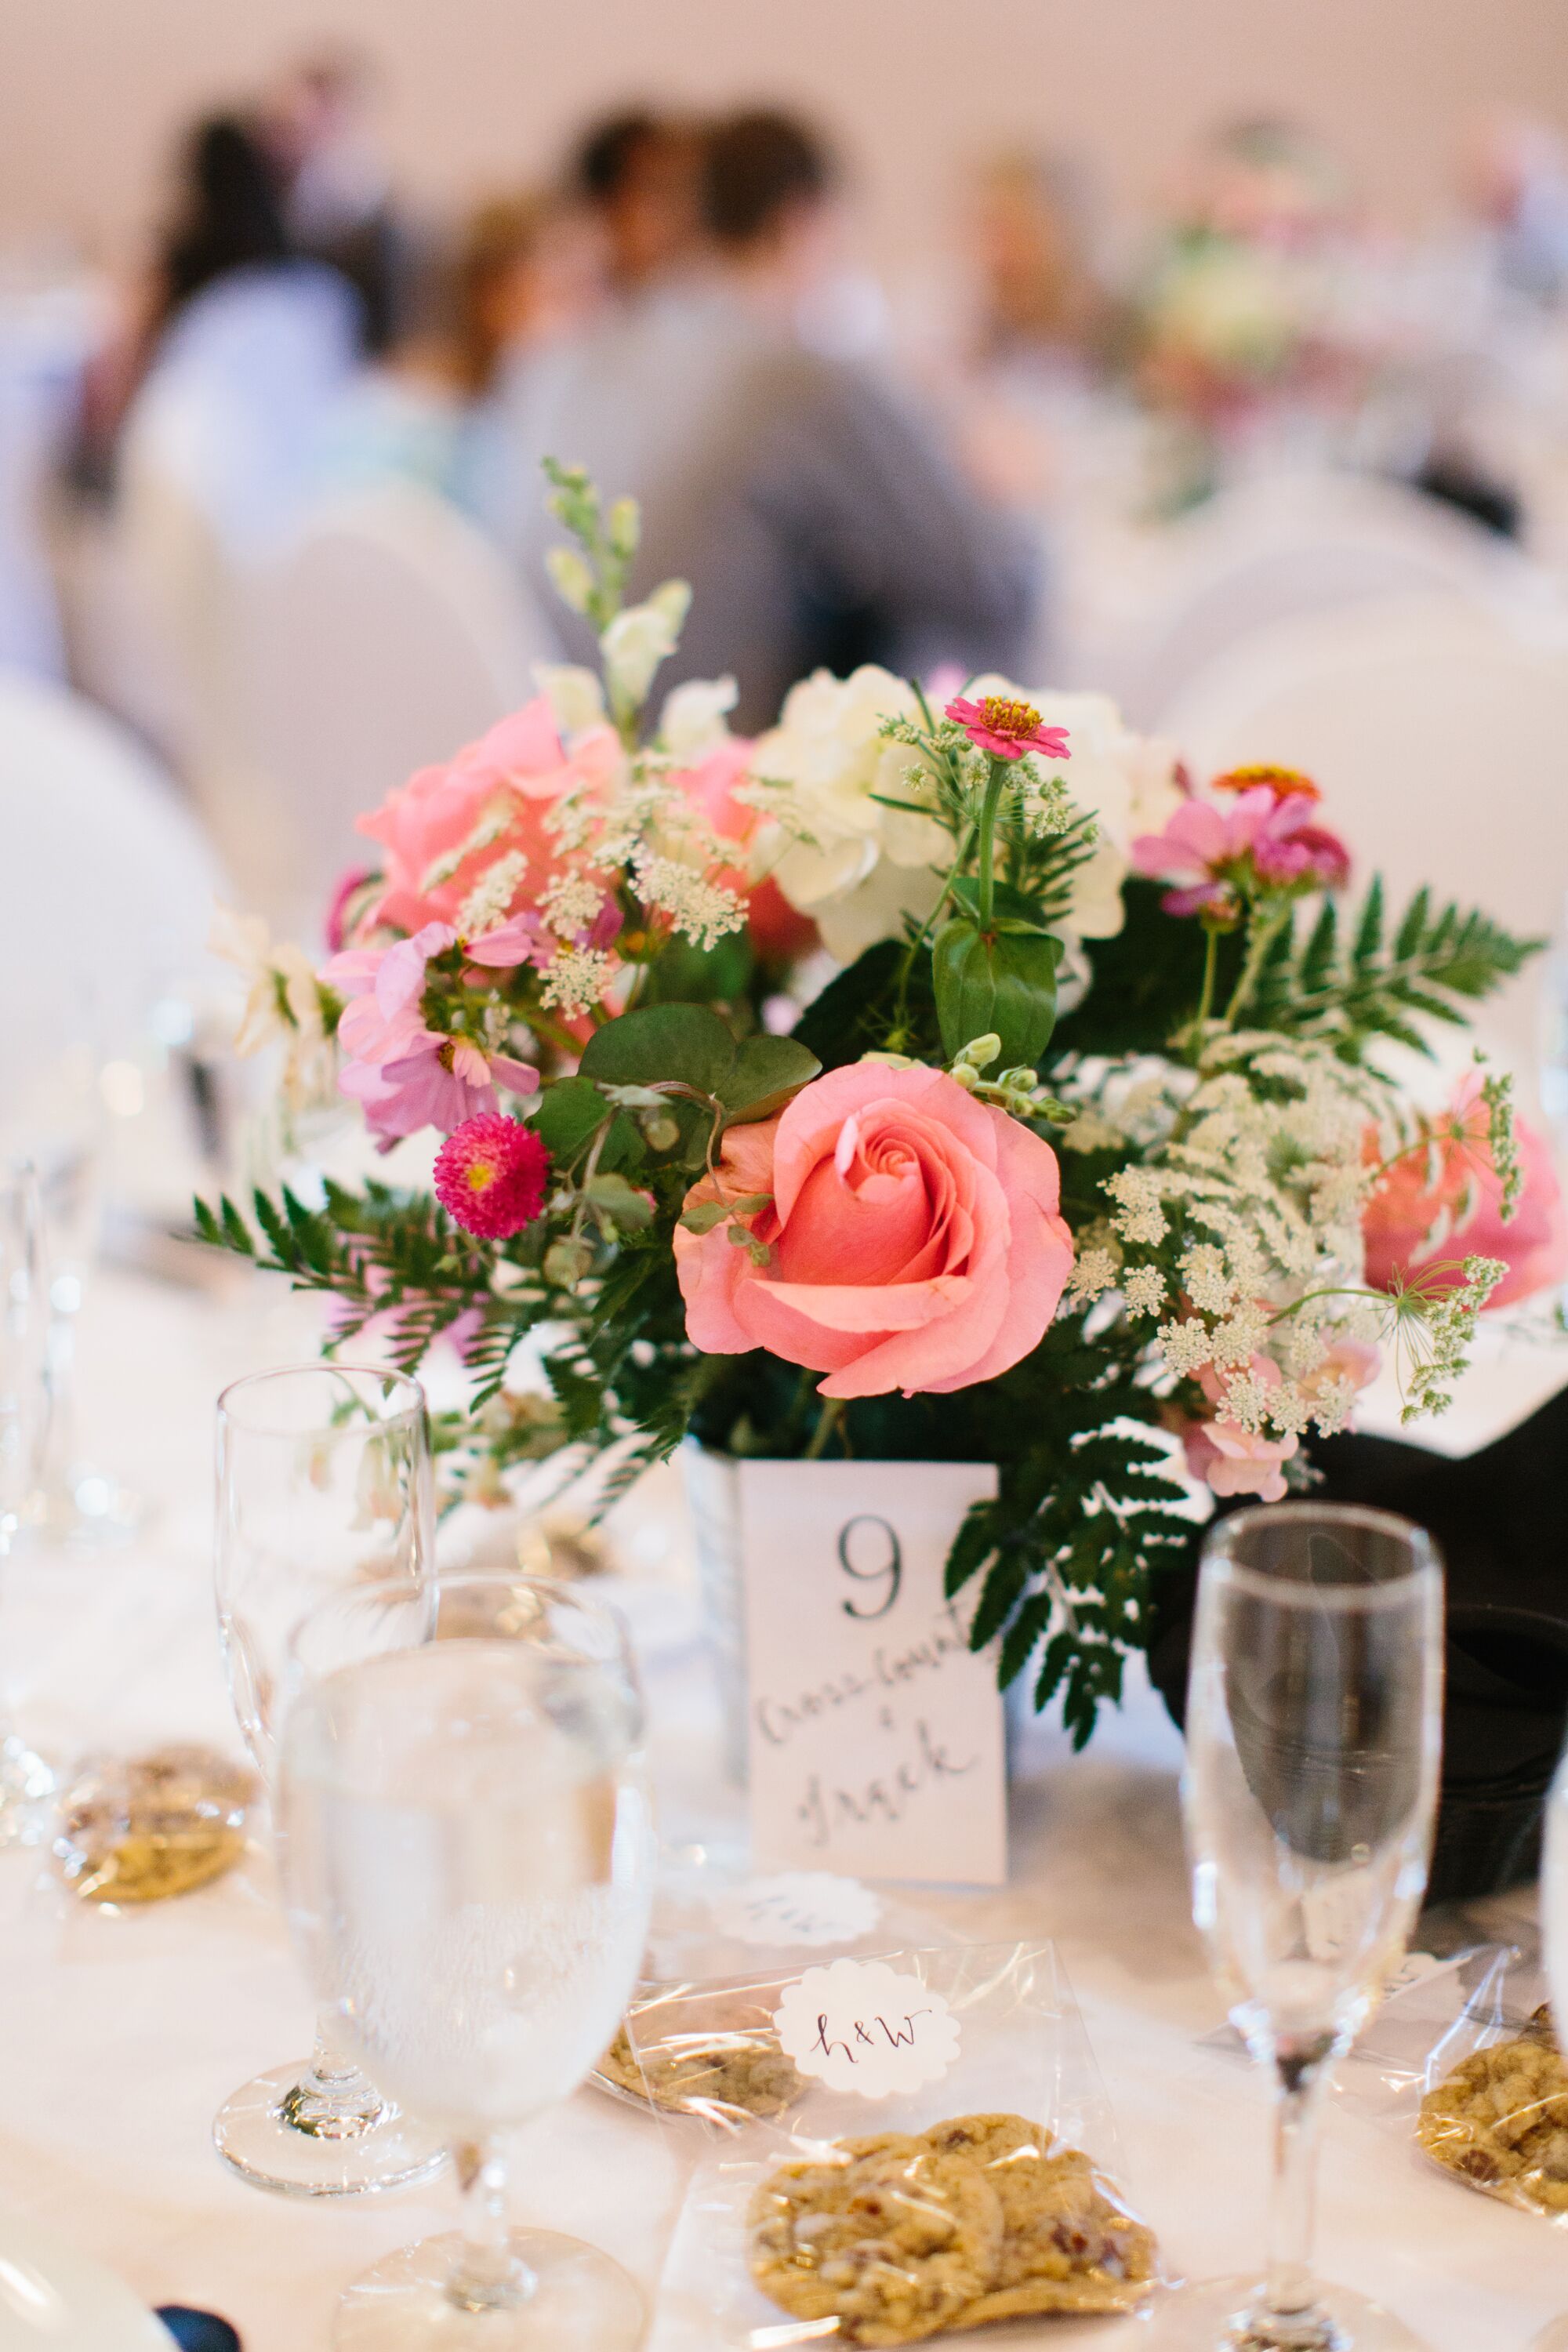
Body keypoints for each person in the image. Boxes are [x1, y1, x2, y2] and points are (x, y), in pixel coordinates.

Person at [505, 109, 1037, 729]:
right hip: (692, 785)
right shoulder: (794, 375)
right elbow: (991, 576)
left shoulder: (556, 360)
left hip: (547, 753)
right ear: (799, 223)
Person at [572, 109, 703, 299]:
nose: (678, 211)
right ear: (606, 203)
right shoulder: (560, 296)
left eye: (683, 190)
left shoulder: (706, 292)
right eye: (657, 190)